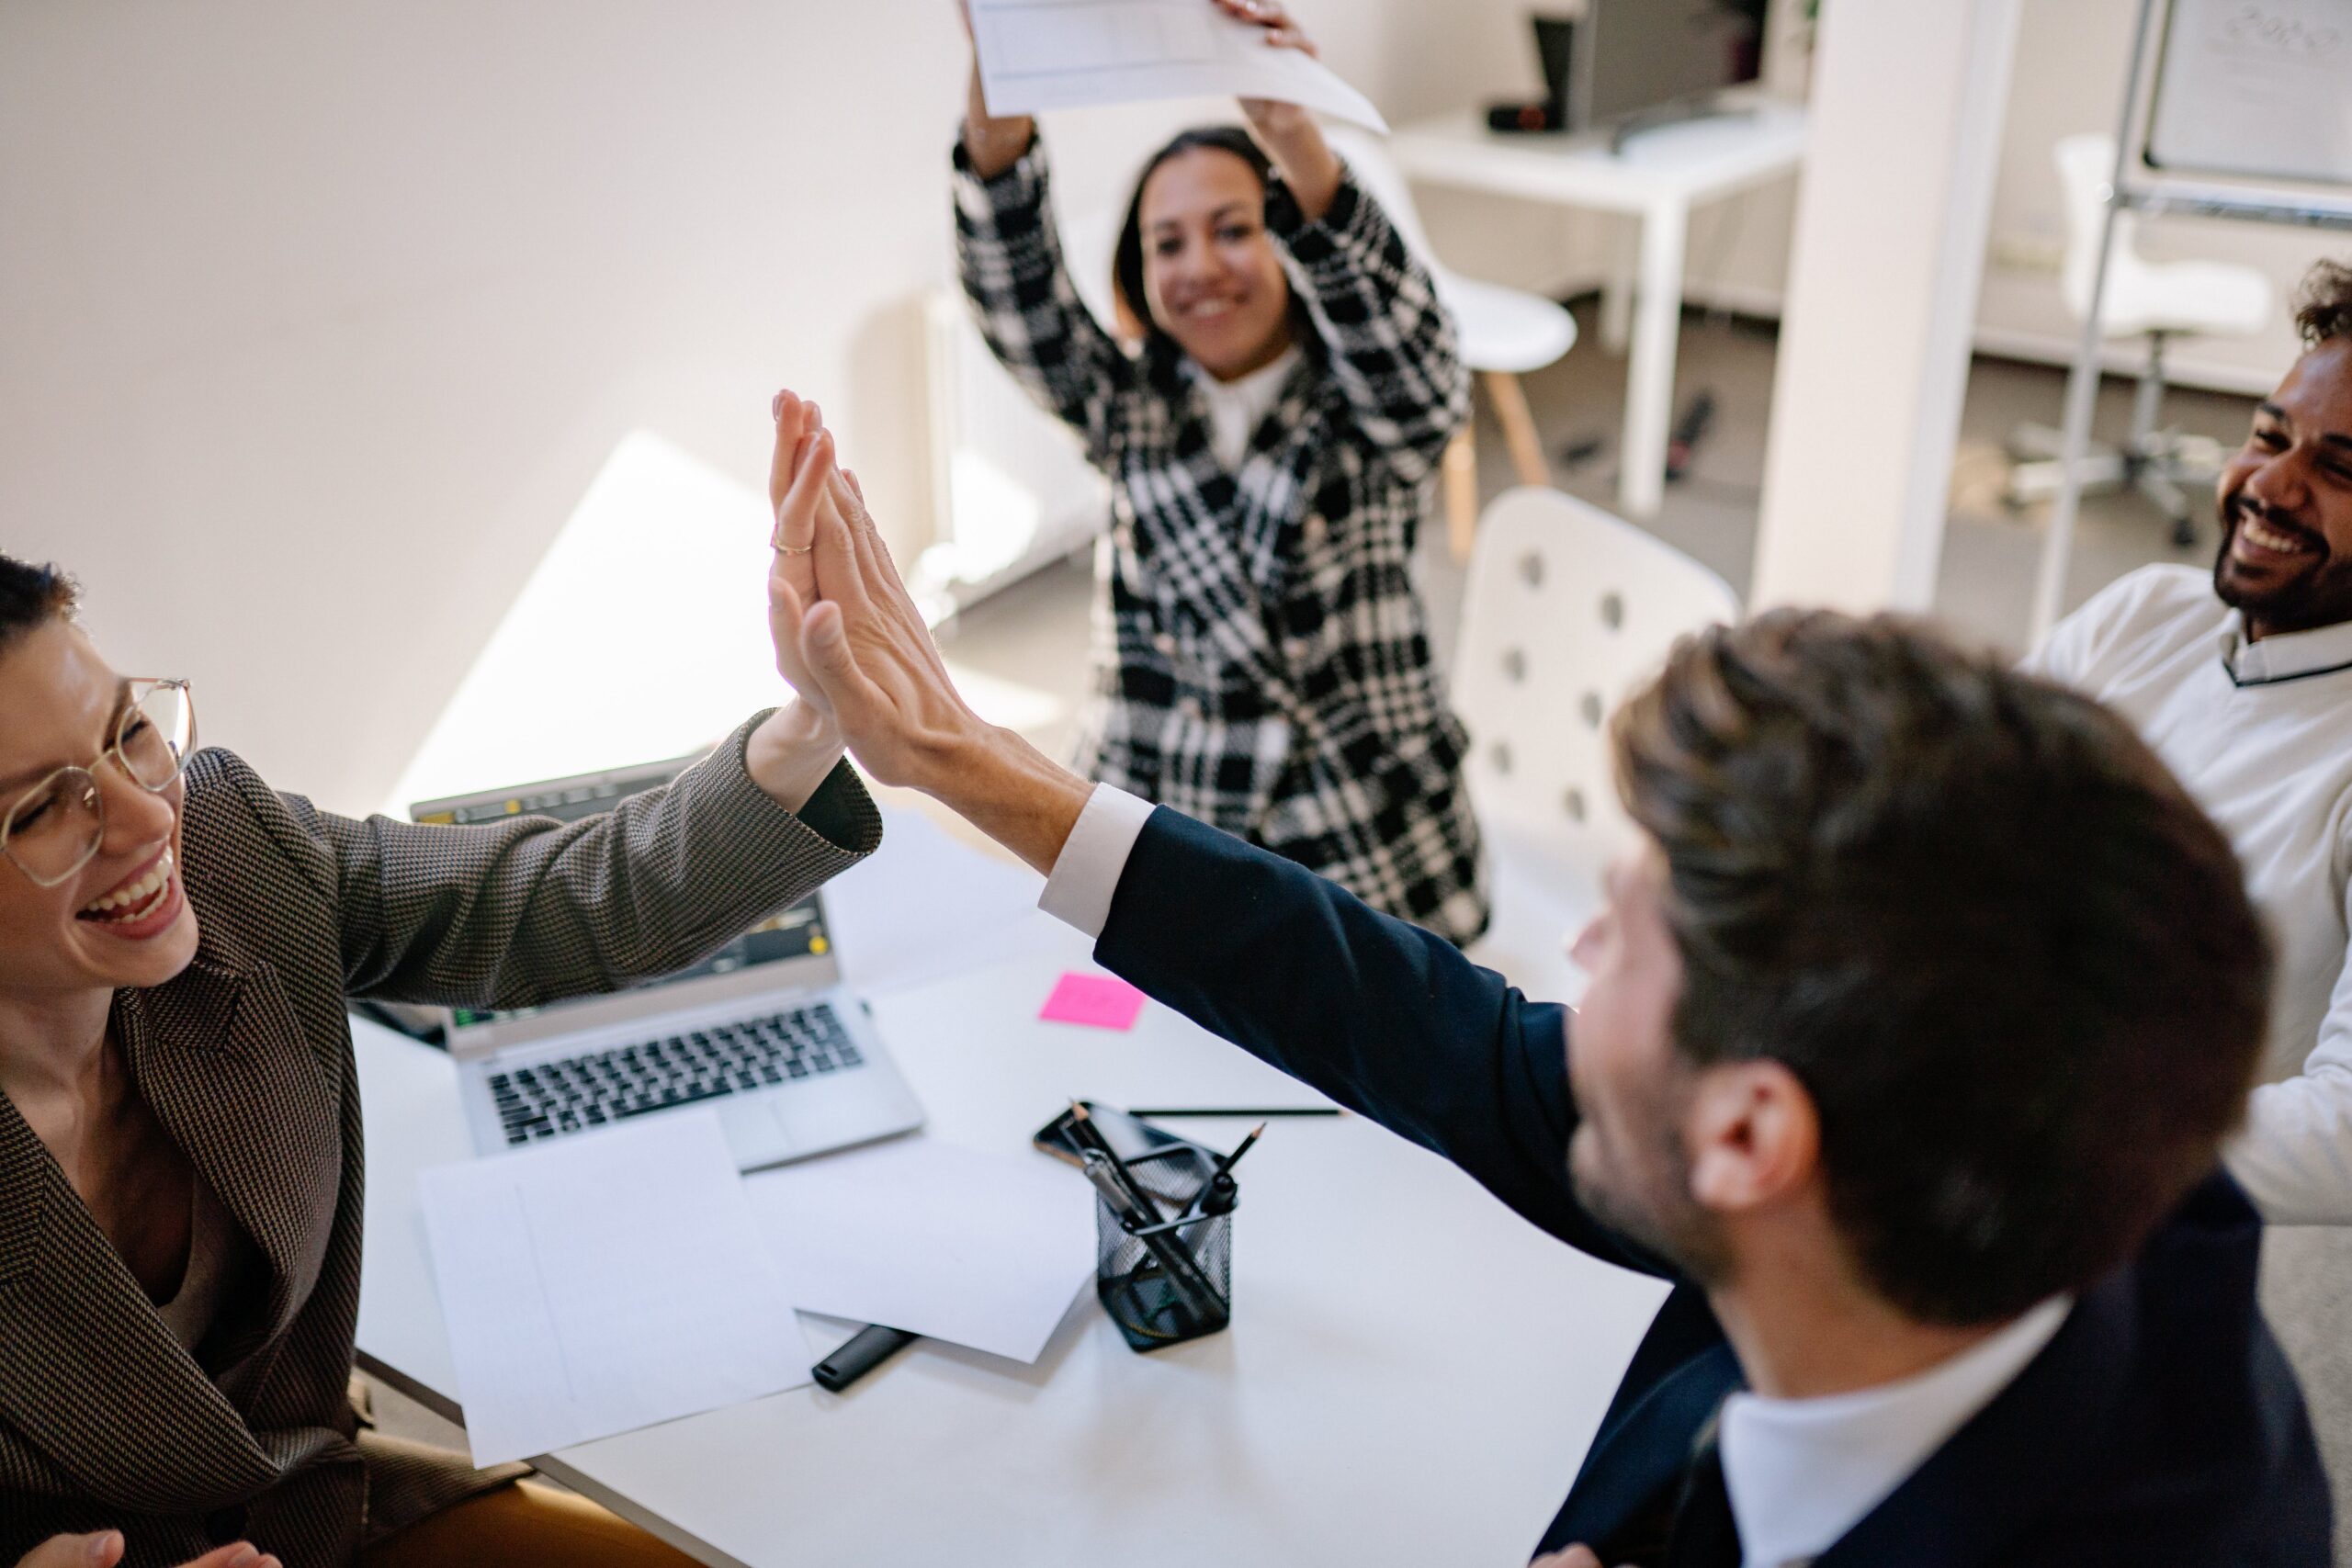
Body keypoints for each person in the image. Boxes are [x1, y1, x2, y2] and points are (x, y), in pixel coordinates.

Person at [759, 403, 2330, 1562]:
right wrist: (977, 770)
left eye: (1633, 934)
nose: (1576, 948)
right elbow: (1439, 1028)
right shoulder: (2022, 1208)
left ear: (1751, 1138)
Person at [1, 397, 879, 1568]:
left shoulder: (231, 848)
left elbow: (554, 904)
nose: (145, 815)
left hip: (326, 1515)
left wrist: (808, 728)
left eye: (128, 735)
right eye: (43, 809)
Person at [953, 0, 1487, 944]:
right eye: (1167, 242)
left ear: (1290, 241)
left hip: (1363, 822)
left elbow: (1416, 362)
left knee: (1380, 1060)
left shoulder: (1367, 405)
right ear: (1138, 273)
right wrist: (1004, 88)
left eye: (1233, 228)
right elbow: (1017, 296)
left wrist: (1290, 131)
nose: (1200, 266)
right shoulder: (1123, 403)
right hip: (1174, 814)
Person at [2025, 256, 2352, 1549]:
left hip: (2123, 1239)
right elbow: (1933, 821)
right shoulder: (2142, 616)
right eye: (2271, 434)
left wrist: (2057, 1139)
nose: (2268, 486)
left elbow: (2349, 1123)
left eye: (2342, 467)